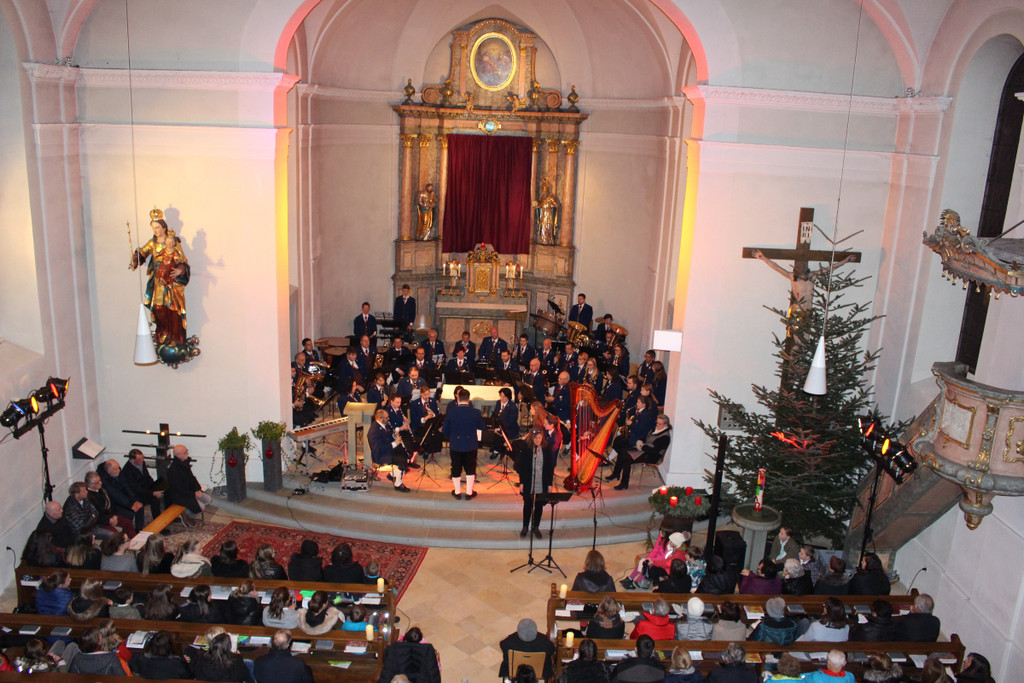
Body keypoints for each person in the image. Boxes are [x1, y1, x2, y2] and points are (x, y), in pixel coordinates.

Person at [608, 409, 668, 490]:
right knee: (623, 450)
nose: (657, 425)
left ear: (665, 425)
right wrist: (639, 442)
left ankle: (624, 483)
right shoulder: (655, 429)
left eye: (659, 424)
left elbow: (654, 451)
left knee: (627, 457)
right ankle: (616, 473)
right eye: (657, 422)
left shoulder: (665, 437)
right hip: (644, 449)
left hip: (652, 456)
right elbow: (646, 439)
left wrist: (642, 446)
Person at [443, 387, 485, 500]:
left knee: (456, 468)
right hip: (471, 444)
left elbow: (445, 430)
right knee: (470, 468)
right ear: (468, 399)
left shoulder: (451, 412)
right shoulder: (475, 412)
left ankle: (457, 492)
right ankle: (469, 492)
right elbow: (482, 426)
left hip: (456, 444)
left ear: (458, 398)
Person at [514, 429, 556, 538]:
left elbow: (550, 468)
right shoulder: (527, 449)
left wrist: (549, 484)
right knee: (527, 504)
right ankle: (525, 527)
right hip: (529, 482)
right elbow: (522, 467)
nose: (537, 440)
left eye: (539, 438)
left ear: (542, 439)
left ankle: (536, 527)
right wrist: (522, 482)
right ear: (532, 438)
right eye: (535, 438)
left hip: (541, 482)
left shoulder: (546, 450)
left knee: (538, 506)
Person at [376, 626, 442, 683]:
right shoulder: (428, 650)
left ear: (405, 637)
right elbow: (433, 674)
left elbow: (387, 672)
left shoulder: (394, 649)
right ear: (420, 639)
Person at [98, 459, 146, 533]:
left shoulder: (118, 472)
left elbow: (127, 486)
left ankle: (139, 529)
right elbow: (115, 494)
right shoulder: (103, 480)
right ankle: (127, 532)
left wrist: (135, 500)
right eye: (116, 469)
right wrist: (131, 505)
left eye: (119, 468)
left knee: (139, 506)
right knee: (129, 514)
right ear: (109, 472)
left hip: (124, 499)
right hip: (113, 503)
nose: (119, 471)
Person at [166, 444, 212, 520]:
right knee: (201, 507)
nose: (187, 453)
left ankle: (192, 505)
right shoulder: (173, 470)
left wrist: (197, 489)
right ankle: (187, 514)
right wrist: (193, 494)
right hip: (181, 496)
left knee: (208, 499)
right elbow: (179, 489)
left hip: (190, 492)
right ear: (179, 455)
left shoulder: (184, 463)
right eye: (185, 452)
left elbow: (192, 478)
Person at [119, 448, 164, 522]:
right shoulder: (127, 471)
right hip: (136, 494)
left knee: (167, 490)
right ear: (133, 460)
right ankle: (158, 521)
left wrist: (155, 486)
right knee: (154, 500)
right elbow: (136, 488)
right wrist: (153, 493)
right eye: (140, 459)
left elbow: (147, 476)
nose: (142, 460)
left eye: (143, 458)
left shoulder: (142, 463)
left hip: (144, 488)